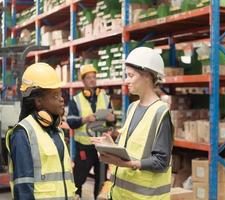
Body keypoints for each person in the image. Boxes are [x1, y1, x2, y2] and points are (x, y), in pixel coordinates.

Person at [91, 47, 174, 200]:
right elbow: (131, 148)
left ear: (147, 75)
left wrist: (127, 164)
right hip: (120, 195)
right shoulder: (132, 107)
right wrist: (112, 146)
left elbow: (161, 161)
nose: (126, 80)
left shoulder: (160, 113)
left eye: (130, 75)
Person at [5, 62, 76, 200]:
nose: (61, 99)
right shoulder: (23, 133)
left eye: (60, 94)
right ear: (38, 101)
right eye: (55, 95)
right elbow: (24, 188)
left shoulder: (57, 131)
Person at [67, 64, 114, 199]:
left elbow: (111, 121)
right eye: (89, 78)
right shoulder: (75, 100)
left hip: (101, 146)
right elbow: (70, 121)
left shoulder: (105, 97)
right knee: (78, 178)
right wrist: (85, 119)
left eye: (94, 77)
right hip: (84, 147)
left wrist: (112, 118)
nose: (92, 80)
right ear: (83, 81)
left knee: (101, 180)